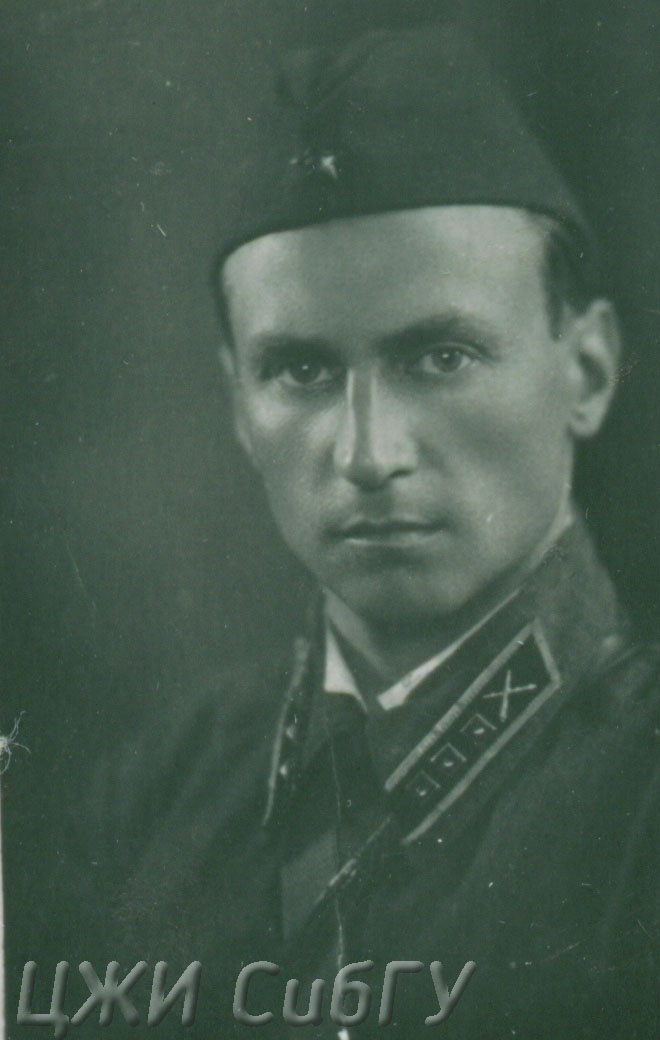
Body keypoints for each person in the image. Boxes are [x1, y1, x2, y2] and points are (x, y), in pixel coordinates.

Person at [76, 24, 657, 1040]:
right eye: (300, 371)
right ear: (237, 406)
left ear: (589, 370)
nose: (367, 452)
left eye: (441, 356)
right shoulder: (158, 793)